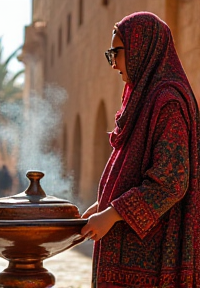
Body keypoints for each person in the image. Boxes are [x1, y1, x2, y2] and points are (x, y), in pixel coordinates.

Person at [81, 12, 200, 287]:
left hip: (152, 262)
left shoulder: (168, 102)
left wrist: (112, 214)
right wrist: (104, 204)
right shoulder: (145, 99)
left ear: (140, 47)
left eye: (116, 53)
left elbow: (171, 182)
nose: (113, 65)